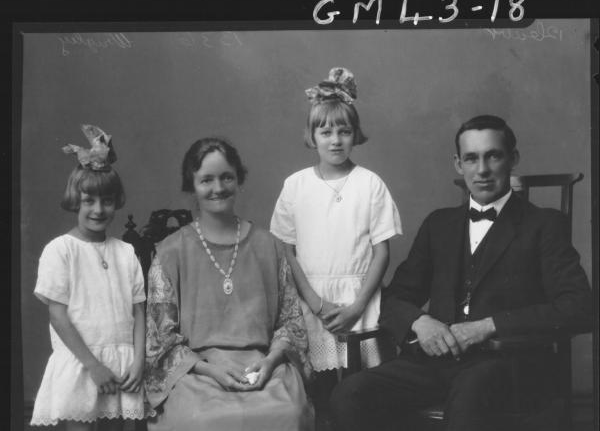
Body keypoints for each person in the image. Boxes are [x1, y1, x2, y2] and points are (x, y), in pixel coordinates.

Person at [330, 114, 593, 431]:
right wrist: (420, 321)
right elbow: (397, 296)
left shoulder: (543, 225)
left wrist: (487, 326)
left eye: (493, 155)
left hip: (506, 364)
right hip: (433, 362)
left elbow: (579, 307)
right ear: (458, 164)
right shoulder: (438, 224)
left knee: (469, 401)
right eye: (471, 158)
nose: (482, 170)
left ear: (513, 158)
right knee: (350, 394)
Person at [144, 137, 314, 431]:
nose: (218, 188)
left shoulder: (269, 246)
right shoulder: (170, 252)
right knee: (203, 420)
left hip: (264, 368)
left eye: (226, 177)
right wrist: (210, 370)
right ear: (191, 187)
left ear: (239, 181)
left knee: (287, 413)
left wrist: (272, 360)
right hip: (196, 372)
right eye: (206, 180)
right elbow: (162, 339)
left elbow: (290, 322)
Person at [270, 67, 402, 406]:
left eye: (344, 131)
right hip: (312, 299)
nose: (335, 139)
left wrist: (357, 305)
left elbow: (381, 252)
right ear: (312, 136)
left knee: (360, 394)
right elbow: (285, 250)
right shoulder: (296, 185)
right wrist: (315, 303)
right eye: (326, 131)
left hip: (359, 298)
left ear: (355, 134)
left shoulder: (370, 183)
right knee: (320, 391)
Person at [30, 125, 152, 430]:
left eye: (107, 201)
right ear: (76, 200)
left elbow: (139, 312)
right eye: (89, 201)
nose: (99, 209)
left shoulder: (125, 252)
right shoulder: (61, 250)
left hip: (124, 364)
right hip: (83, 363)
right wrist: (93, 365)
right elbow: (58, 315)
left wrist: (139, 361)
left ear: (116, 202)